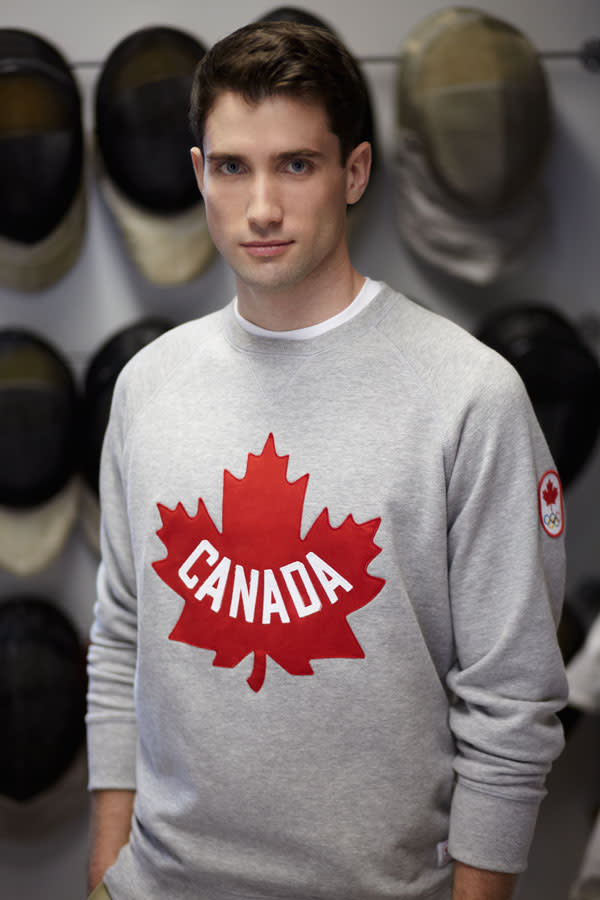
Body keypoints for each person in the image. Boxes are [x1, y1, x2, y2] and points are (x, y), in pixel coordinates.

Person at [86, 20, 568, 900]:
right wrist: (104, 868)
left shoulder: (470, 395)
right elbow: (123, 635)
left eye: (296, 165)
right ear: (199, 174)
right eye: (233, 166)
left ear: (353, 173)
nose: (261, 206)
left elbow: (512, 702)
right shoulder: (147, 387)